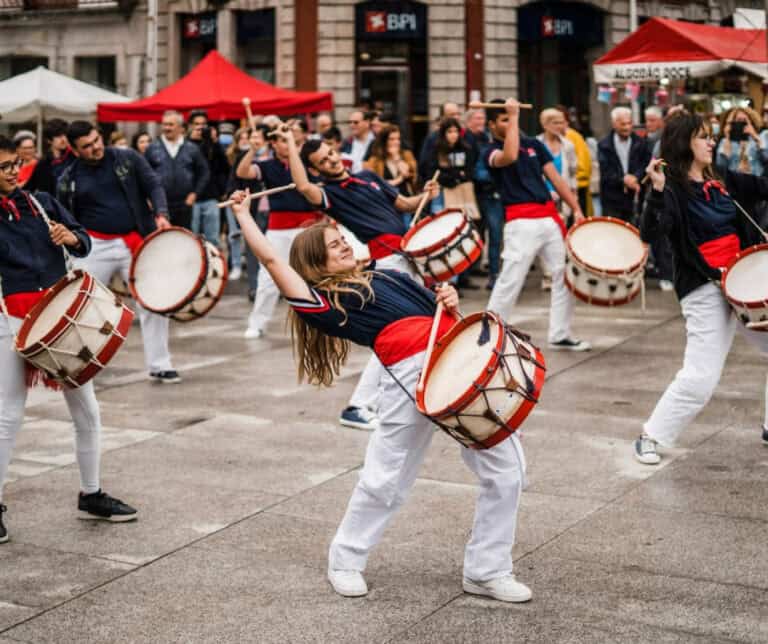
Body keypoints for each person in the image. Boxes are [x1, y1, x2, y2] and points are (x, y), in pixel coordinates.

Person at [229, 198, 532, 603]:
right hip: (408, 377)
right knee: (386, 477)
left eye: (342, 239)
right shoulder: (323, 302)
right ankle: (345, 560)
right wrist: (243, 215)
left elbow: (443, 321)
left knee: (508, 469)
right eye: (333, 245)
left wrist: (449, 304)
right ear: (316, 262)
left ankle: (486, 570)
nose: (344, 246)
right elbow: (270, 259)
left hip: (455, 364)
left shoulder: (389, 276)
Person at [0, 135, 138, 543]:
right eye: (5, 166)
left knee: (88, 412)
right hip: (9, 317)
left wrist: (72, 238)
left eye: (15, 165)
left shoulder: (40, 202)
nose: (13, 172)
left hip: (59, 317)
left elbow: (84, 240)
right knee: (8, 416)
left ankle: (91, 493)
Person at [635, 111, 768, 464]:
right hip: (705, 288)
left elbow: (763, 185)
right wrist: (657, 192)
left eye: (710, 135)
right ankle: (650, 436)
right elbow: (650, 232)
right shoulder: (672, 187)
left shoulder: (721, 177)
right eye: (703, 136)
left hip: (743, 283)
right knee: (701, 377)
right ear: (684, 143)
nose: (711, 141)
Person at [285, 128, 439, 432]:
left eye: (331, 153)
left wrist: (426, 195)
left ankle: (398, 391)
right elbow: (303, 185)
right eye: (323, 161)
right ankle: (359, 404)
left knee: (416, 328)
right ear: (316, 169)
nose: (331, 160)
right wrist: (292, 142)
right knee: (396, 333)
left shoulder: (369, 176)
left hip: (407, 250)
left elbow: (405, 205)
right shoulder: (331, 194)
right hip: (387, 258)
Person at [57, 121, 180, 384]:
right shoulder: (68, 179)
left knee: (154, 300)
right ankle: (78, 365)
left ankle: (160, 364)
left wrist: (161, 214)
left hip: (133, 239)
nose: (95, 148)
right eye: (87, 147)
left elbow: (154, 185)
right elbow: (66, 217)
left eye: (96, 141)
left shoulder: (127, 158)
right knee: (81, 305)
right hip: (94, 244)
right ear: (75, 150)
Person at [484, 99, 591, 352]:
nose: (509, 123)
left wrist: (576, 209)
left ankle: (560, 333)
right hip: (521, 221)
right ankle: (490, 333)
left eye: (510, 118)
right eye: (503, 120)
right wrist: (515, 116)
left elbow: (556, 179)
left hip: (548, 217)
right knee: (511, 277)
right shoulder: (489, 150)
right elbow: (509, 156)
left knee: (564, 274)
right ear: (492, 125)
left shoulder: (534, 145)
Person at [235, 124, 323, 339]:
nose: (288, 143)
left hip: (308, 226)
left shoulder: (306, 163)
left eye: (291, 139)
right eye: (284, 140)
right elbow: (242, 172)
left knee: (315, 277)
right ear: (274, 144)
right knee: (268, 278)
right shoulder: (267, 165)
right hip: (278, 228)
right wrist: (253, 149)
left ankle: (322, 322)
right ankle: (257, 323)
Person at [144, 110, 209, 230]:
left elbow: (204, 172)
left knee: (184, 239)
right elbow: (143, 176)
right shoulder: (152, 148)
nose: (167, 128)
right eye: (164, 124)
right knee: (162, 239)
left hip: (184, 205)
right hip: (161, 206)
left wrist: (195, 194)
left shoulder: (192, 148)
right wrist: (148, 198)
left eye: (171, 124)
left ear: (180, 127)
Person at [188, 110, 230, 255]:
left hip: (211, 197)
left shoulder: (212, 144)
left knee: (213, 239)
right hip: (192, 197)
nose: (200, 128)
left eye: (203, 124)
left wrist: (215, 143)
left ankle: (214, 272)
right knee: (191, 238)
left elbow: (225, 167)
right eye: (197, 124)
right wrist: (191, 141)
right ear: (190, 126)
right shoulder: (186, 145)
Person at [598, 106, 651, 221]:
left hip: (635, 197)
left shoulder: (641, 143)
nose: (627, 127)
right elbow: (606, 170)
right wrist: (623, 179)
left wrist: (635, 177)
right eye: (623, 124)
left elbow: (646, 163)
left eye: (629, 123)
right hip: (612, 198)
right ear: (614, 124)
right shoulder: (604, 145)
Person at [363, 125, 417, 198]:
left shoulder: (406, 155)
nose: (396, 142)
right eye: (391, 139)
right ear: (384, 141)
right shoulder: (374, 161)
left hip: (406, 197)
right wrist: (399, 179)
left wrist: (396, 157)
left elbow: (406, 173)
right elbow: (375, 185)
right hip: (385, 200)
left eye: (398, 139)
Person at [25, 119, 75, 195]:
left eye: (65, 134)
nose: (63, 139)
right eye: (58, 136)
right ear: (49, 140)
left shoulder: (75, 158)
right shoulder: (43, 164)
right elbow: (29, 188)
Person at [715, 107, 768, 176]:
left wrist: (755, 137)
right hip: (734, 182)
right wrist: (728, 138)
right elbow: (720, 166)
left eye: (745, 120)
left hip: (756, 182)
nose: (741, 123)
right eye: (739, 120)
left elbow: (766, 160)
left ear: (751, 122)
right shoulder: (725, 141)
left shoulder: (760, 138)